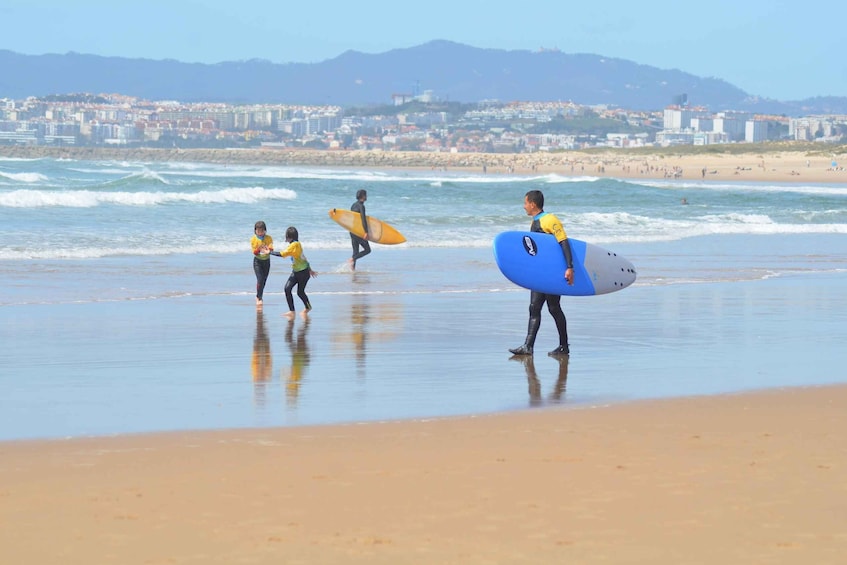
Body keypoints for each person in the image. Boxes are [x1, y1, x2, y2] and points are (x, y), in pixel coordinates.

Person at [509, 190, 574, 357]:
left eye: (525, 203)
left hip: (550, 273)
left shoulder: (549, 220)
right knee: (535, 307)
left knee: (553, 308)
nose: (524, 207)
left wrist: (569, 267)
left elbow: (563, 242)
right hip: (539, 273)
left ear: (532, 204)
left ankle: (562, 346)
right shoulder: (535, 221)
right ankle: (529, 347)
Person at [272, 226, 317, 320]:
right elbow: (304, 258)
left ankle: (308, 307)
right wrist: (310, 269)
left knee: (300, 292)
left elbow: (283, 254)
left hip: (303, 273)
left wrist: (269, 252)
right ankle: (292, 311)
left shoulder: (295, 245)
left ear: (289, 237)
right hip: (297, 272)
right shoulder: (297, 244)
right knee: (287, 289)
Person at [250, 220, 274, 307]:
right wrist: (260, 248)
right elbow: (255, 252)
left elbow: (271, 249)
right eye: (258, 231)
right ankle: (259, 298)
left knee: (264, 280)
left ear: (265, 230)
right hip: (257, 261)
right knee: (260, 279)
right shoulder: (253, 239)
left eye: (262, 230)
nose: (260, 233)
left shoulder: (269, 238)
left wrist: (268, 250)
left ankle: (258, 295)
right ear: (255, 231)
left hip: (266, 261)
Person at [348, 189, 371, 270]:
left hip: (352, 230)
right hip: (358, 232)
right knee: (368, 250)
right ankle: (352, 259)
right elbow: (363, 219)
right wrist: (366, 232)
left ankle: (352, 270)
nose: (366, 196)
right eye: (366, 195)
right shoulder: (361, 206)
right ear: (363, 196)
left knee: (355, 252)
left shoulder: (353, 205)